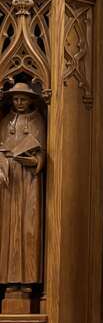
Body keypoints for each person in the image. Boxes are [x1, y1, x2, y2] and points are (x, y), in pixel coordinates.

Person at [0, 82, 46, 292]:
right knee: (9, 229)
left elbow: (42, 151)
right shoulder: (6, 121)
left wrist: (36, 161)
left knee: (28, 227)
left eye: (23, 99)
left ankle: (28, 280)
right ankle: (9, 280)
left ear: (30, 100)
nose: (19, 102)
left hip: (28, 180)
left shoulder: (37, 120)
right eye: (16, 99)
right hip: (9, 180)